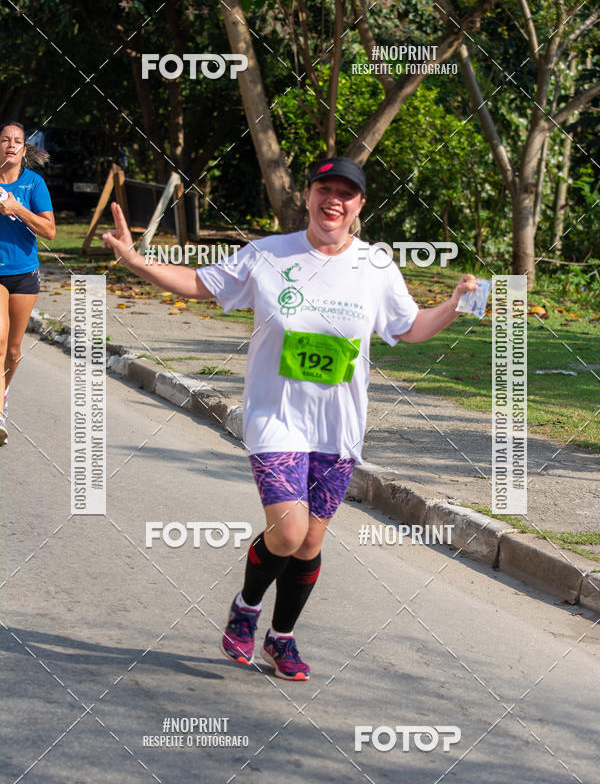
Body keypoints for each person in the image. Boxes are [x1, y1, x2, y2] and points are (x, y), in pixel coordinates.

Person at [104, 156, 478, 681]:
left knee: (309, 542)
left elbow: (410, 326)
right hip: (275, 418)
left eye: (346, 193)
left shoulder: (376, 267)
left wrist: (455, 305)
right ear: (307, 196)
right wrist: (135, 261)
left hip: (338, 428)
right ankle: (246, 609)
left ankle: (281, 639)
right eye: (325, 188)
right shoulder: (268, 255)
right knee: (287, 531)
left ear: (359, 206)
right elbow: (198, 283)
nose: (334, 200)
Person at [0, 121, 55, 446]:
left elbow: (49, 231)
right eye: (4, 139)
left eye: (16, 140)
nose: (10, 144)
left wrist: (16, 208)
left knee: (14, 349)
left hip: (24, 273)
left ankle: (4, 394)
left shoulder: (33, 184)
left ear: (24, 149)